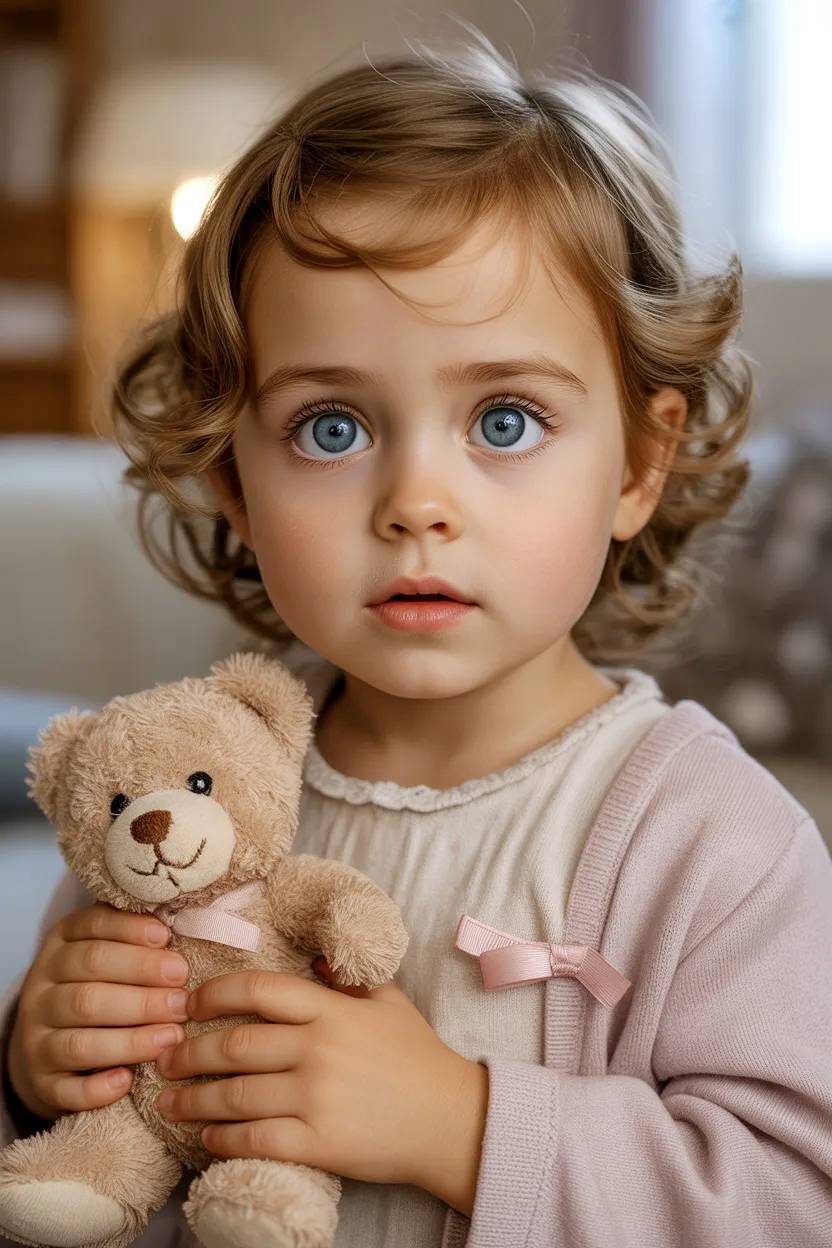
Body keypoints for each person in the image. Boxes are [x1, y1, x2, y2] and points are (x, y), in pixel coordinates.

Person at [2, 27, 831, 1248]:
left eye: (504, 417)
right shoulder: (178, 789)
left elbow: (793, 1200)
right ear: (234, 480)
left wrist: (460, 1123)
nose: (413, 502)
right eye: (331, 428)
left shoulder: (713, 841)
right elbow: (88, 1164)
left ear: (639, 464)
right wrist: (33, 1068)